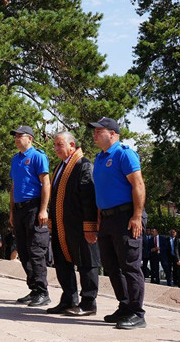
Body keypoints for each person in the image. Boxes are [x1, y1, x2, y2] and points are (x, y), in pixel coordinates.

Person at [89, 117, 147, 330]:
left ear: (112, 133)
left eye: (99, 130)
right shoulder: (99, 158)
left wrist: (137, 216)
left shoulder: (124, 153)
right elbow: (100, 192)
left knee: (130, 266)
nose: (94, 134)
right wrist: (98, 219)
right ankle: (124, 306)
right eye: (94, 131)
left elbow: (138, 184)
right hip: (107, 218)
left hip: (126, 216)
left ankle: (137, 312)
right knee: (112, 266)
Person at [46, 131, 100, 316]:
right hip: (62, 225)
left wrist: (90, 226)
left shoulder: (83, 165)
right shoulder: (60, 166)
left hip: (80, 225)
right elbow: (54, 198)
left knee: (86, 264)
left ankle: (88, 302)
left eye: (60, 145)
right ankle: (69, 298)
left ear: (72, 145)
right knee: (62, 263)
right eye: (55, 145)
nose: (56, 149)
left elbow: (88, 198)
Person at [8, 125, 51, 307]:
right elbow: (13, 187)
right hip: (19, 209)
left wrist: (43, 209)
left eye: (20, 136)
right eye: (15, 136)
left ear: (30, 139)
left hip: (34, 207)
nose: (17, 139)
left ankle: (43, 292)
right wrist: (11, 211)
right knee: (23, 251)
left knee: (35, 250)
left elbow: (46, 184)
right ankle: (33, 289)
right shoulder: (15, 160)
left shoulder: (37, 157)